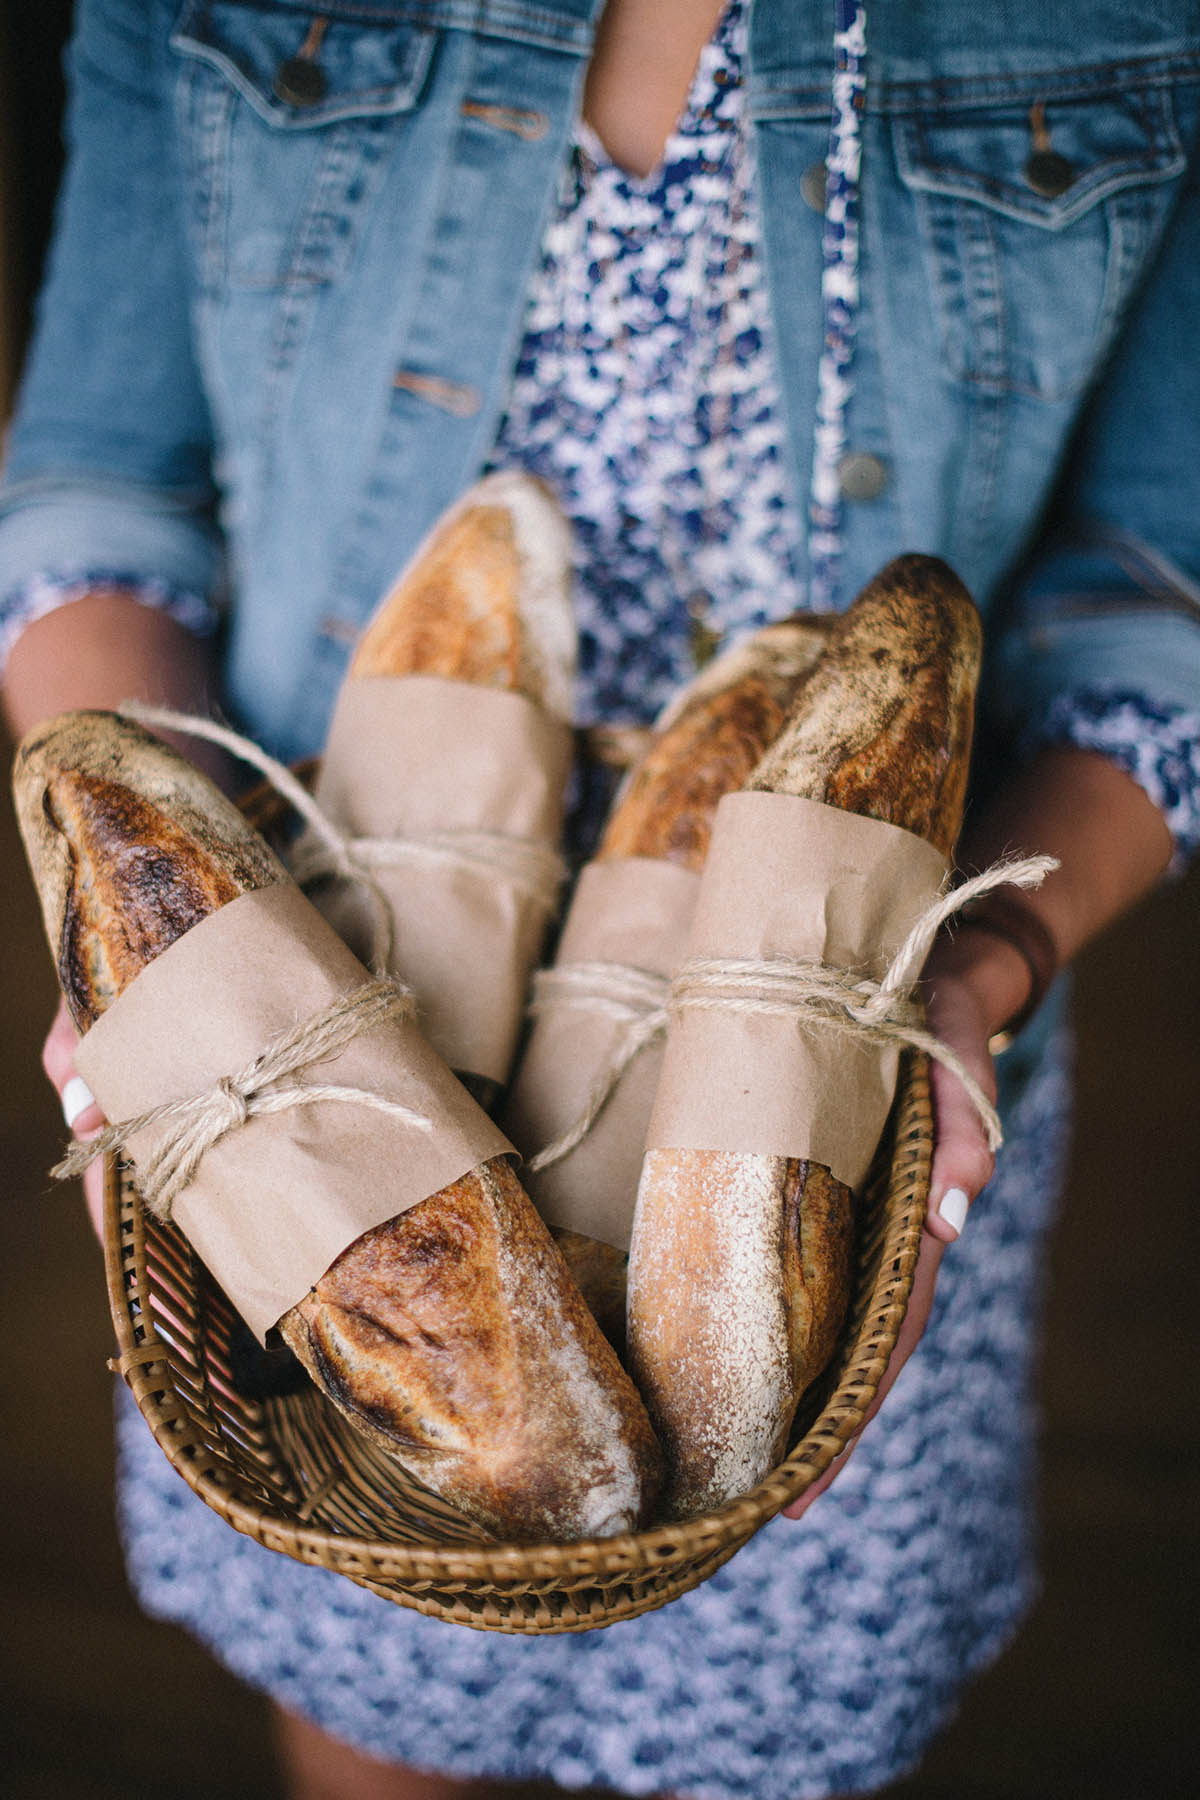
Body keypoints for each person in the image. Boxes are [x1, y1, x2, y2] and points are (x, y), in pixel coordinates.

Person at [2, 1, 1198, 1796]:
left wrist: (990, 961)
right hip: (326, 934)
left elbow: (1155, 607)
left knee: (762, 1716)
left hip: (860, 1004)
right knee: (374, 1694)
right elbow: (99, 489)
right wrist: (168, 961)